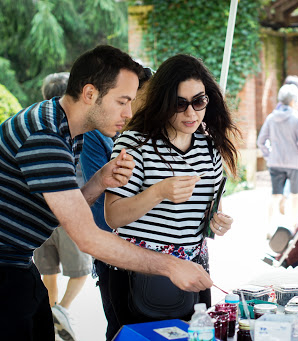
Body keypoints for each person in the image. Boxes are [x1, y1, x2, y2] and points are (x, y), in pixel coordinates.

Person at [0, 45, 213, 341]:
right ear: (90, 94)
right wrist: (170, 264)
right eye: (122, 101)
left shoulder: (65, 130)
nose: (129, 113)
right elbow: (87, 237)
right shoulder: (44, 136)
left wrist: (98, 182)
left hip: (19, 264)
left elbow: (59, 215)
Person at [104, 54, 239, 326]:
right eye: (180, 104)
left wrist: (218, 222)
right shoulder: (134, 144)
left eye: (199, 101)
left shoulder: (209, 148)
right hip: (137, 275)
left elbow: (210, 214)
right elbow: (113, 216)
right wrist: (158, 192)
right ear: (164, 102)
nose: (191, 114)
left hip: (192, 272)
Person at [79, 66, 154, 341]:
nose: (132, 110)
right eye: (127, 101)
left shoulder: (160, 136)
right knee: (123, 329)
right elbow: (104, 206)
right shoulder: (97, 135)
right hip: (113, 250)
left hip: (155, 252)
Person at [33, 72, 92, 341]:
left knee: (48, 274)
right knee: (81, 272)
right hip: (67, 217)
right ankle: (61, 311)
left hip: (40, 217)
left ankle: (51, 316)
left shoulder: (38, 124)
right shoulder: (72, 134)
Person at [257, 84, 298, 227]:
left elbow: (261, 141)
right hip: (296, 163)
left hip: (275, 162)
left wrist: (269, 156)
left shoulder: (271, 118)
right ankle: (294, 226)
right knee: (296, 196)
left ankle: (269, 228)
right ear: (293, 101)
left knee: (275, 195)